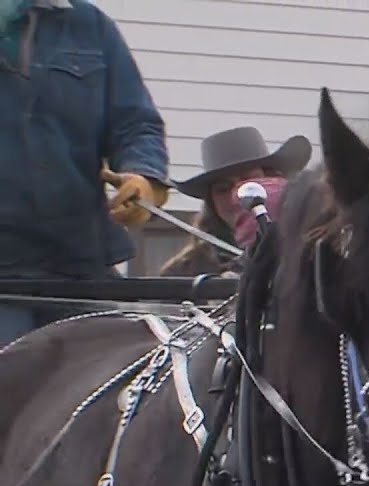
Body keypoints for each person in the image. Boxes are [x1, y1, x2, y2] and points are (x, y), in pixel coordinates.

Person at [0, 0, 171, 345]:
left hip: (82, 267)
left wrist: (143, 176)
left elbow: (136, 125)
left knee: (116, 386)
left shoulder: (90, 26)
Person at [159, 126, 312, 277]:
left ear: (274, 180)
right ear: (212, 203)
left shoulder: (314, 252)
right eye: (223, 189)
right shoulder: (183, 272)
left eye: (248, 182)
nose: (237, 195)